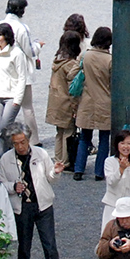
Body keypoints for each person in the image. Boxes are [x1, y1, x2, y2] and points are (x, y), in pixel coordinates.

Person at [0, 121, 66, 259]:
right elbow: (2, 184)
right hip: (21, 207)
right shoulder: (6, 159)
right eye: (16, 143)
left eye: (23, 142)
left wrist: (56, 172)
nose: (20, 146)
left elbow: (50, 178)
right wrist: (13, 186)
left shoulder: (41, 154)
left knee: (50, 244)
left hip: (43, 204)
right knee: (24, 246)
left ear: (28, 140)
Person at [74, 26, 114, 179]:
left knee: (85, 137)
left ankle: (79, 169)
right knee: (104, 138)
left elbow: (74, 73)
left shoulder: (86, 56)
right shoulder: (110, 60)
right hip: (105, 101)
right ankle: (99, 171)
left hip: (87, 101)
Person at [3, 0, 42, 144]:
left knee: (6, 106)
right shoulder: (21, 27)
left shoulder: (0, 25)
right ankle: (34, 139)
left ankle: (5, 137)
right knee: (27, 108)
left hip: (6, 71)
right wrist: (38, 46)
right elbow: (30, 51)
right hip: (22, 71)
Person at [0, 23, 32, 153]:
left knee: (4, 128)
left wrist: (17, 99)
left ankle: (9, 156)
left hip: (11, 96)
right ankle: (4, 159)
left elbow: (22, 77)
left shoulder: (16, 53)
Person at [46, 30, 83, 168]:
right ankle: (66, 161)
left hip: (55, 102)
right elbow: (73, 89)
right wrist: (75, 108)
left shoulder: (57, 61)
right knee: (68, 132)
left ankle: (58, 159)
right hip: (66, 103)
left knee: (59, 133)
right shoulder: (70, 64)